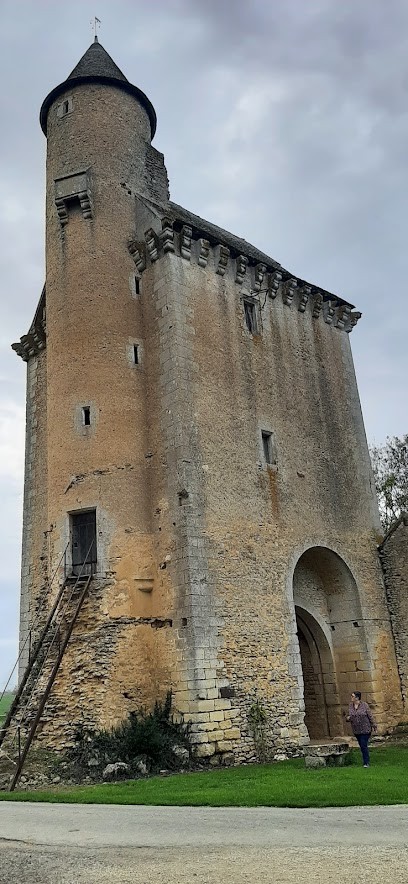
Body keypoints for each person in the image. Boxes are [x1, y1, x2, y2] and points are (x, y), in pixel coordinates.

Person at [345, 691, 377, 767]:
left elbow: (370, 716)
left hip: (365, 729)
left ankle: (366, 762)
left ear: (357, 698)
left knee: (363, 745)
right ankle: (365, 760)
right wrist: (348, 718)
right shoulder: (350, 706)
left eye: (352, 696)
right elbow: (349, 716)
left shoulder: (364, 705)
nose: (351, 698)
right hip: (356, 730)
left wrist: (374, 725)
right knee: (361, 745)